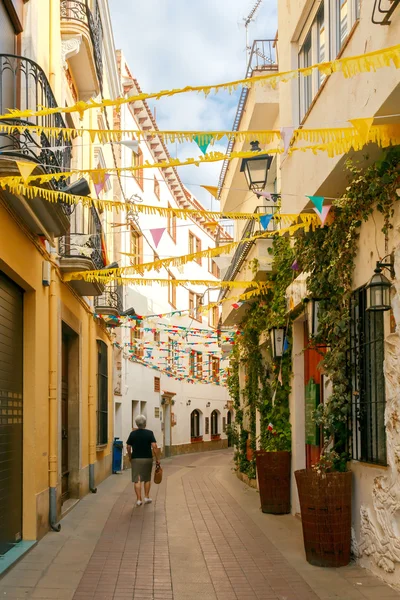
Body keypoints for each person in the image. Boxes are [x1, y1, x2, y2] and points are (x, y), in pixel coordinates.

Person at [126, 414, 160, 507]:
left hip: (136, 458)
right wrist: (157, 458)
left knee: (137, 480)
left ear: (136, 424)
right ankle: (147, 497)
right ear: (145, 424)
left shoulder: (132, 434)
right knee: (147, 479)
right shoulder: (150, 433)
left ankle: (138, 499)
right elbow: (154, 446)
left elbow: (128, 447)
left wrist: (130, 456)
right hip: (147, 458)